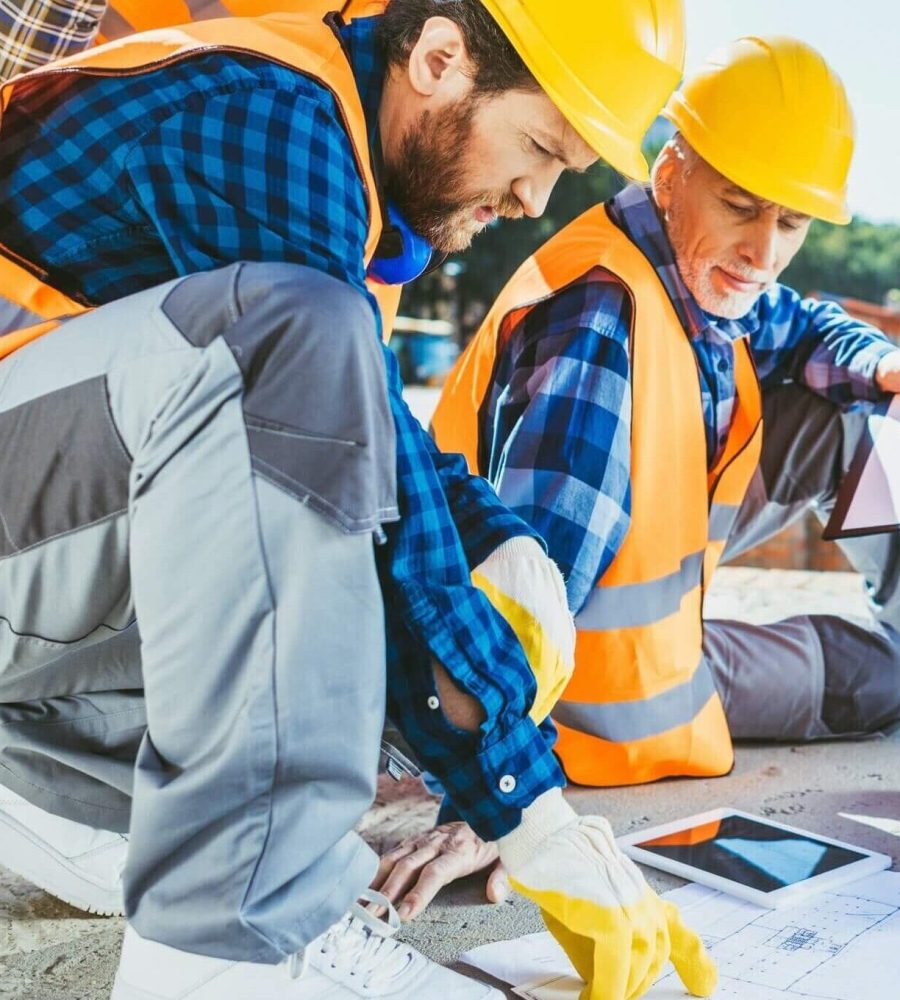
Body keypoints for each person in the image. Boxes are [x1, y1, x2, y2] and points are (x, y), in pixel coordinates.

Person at [0, 2, 718, 999]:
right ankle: (222, 947)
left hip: (33, 556)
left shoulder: (339, 164)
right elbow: (355, 489)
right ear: (436, 59)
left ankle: (47, 785)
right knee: (303, 368)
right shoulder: (269, 119)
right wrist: (529, 804)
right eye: (541, 147)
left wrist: (497, 542)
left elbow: (381, 445)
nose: (534, 197)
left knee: (386, 503)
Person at [424, 33, 900, 907]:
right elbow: (541, 578)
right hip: (591, 697)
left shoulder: (697, 270)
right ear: (672, 170)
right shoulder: (600, 323)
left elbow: (803, 320)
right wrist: (496, 796)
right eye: (741, 205)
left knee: (860, 417)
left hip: (655, 619)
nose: (763, 250)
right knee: (884, 685)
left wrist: (877, 366)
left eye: (789, 223)